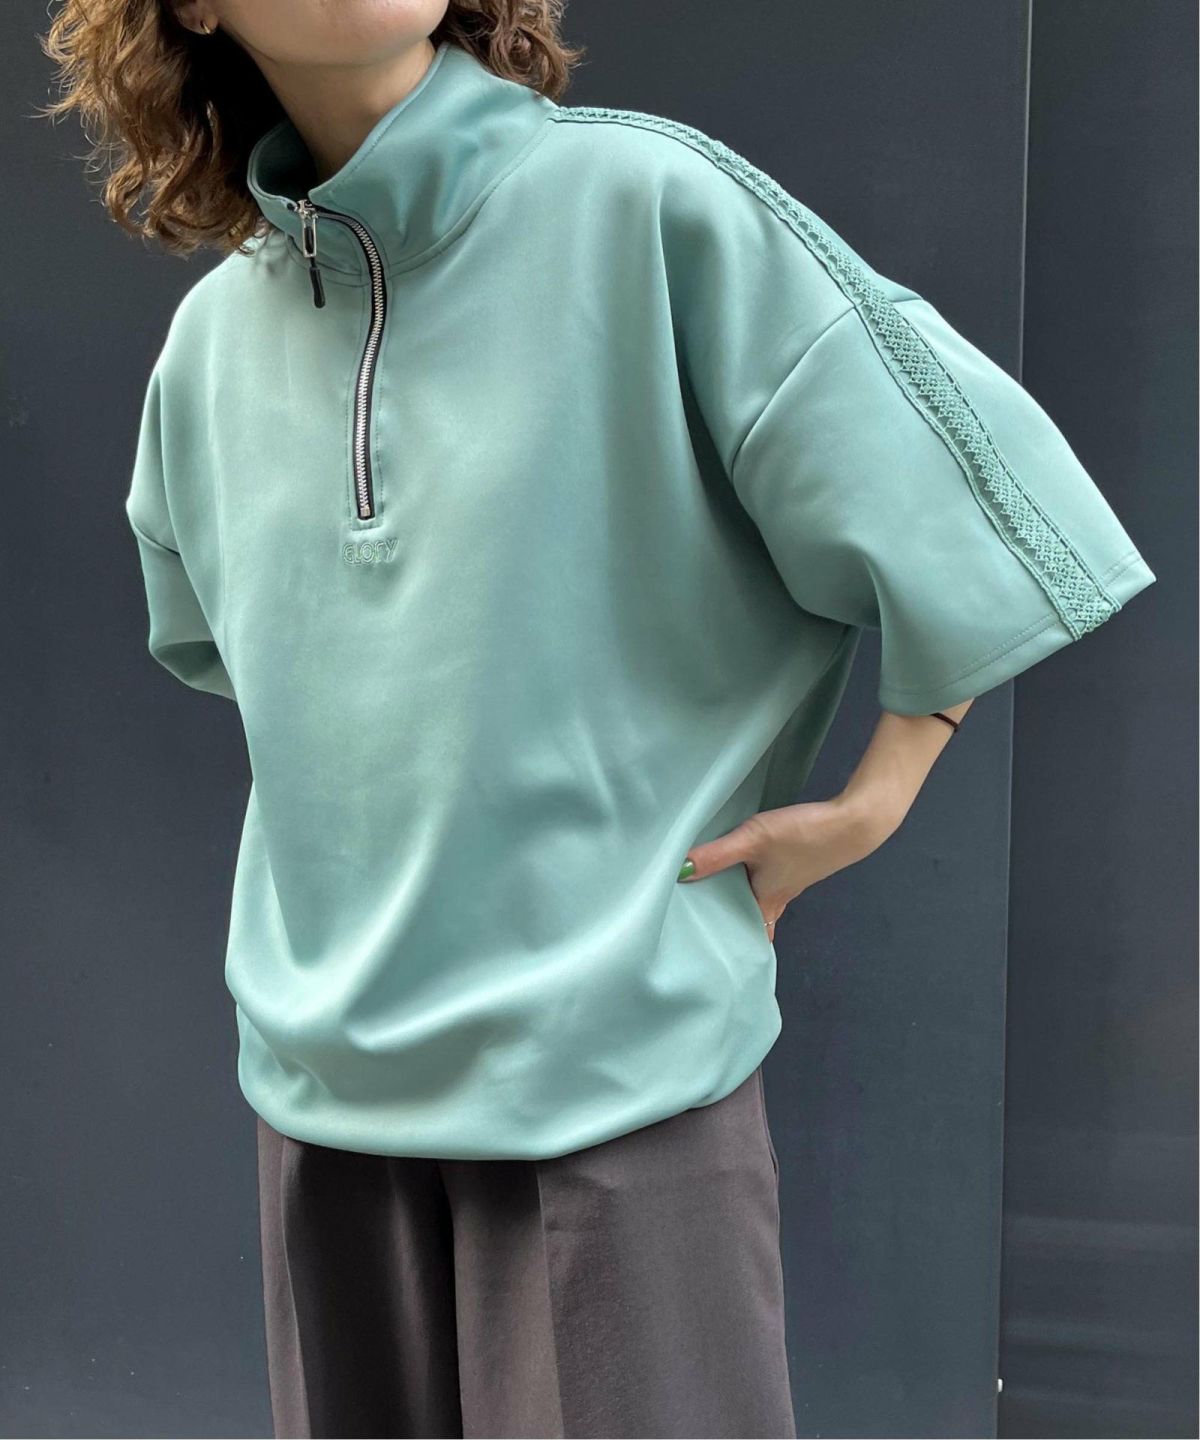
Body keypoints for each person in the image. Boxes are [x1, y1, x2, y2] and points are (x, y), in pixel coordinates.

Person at [45, 2, 1157, 1437]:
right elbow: (236, 650)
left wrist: (879, 793)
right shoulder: (212, 344)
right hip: (320, 1101)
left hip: (618, 1087)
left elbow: (978, 495)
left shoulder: (647, 204)